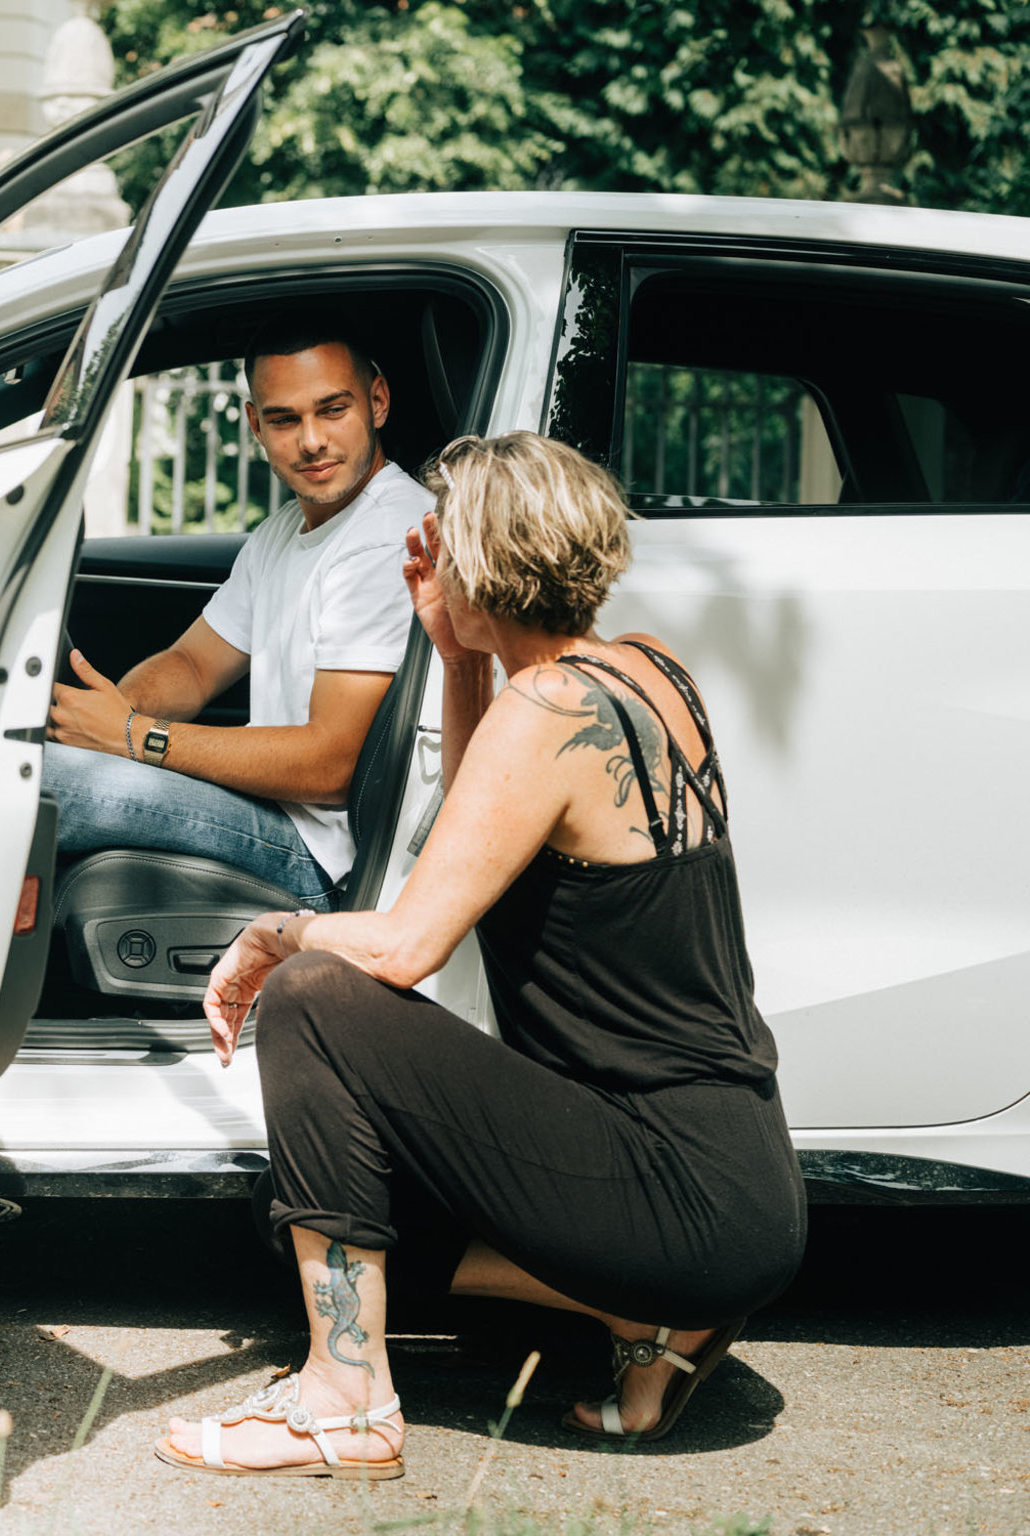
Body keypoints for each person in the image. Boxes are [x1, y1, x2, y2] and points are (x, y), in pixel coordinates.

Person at [156, 431, 807, 1478]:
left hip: (671, 1190)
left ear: (480, 565)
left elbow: (407, 944)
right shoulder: (645, 670)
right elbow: (491, 817)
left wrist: (273, 935)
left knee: (318, 995)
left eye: (438, 548)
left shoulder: (539, 711)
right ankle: (650, 1318)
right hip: (736, 1191)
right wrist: (458, 660)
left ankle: (344, 1398)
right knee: (292, 1220)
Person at [44, 321, 435, 906]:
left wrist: (132, 738)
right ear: (255, 424)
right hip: (270, 811)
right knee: (43, 764)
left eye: (332, 410)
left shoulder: (388, 536)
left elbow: (333, 764)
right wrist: (110, 715)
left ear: (377, 403)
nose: (310, 441)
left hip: (320, 855)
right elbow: (193, 666)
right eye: (284, 419)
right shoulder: (283, 530)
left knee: (29, 781)